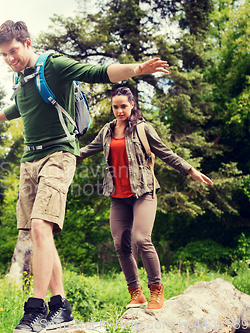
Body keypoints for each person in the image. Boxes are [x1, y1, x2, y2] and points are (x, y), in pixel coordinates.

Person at [0, 20, 170, 333]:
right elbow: (17, 108)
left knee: (40, 226)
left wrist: (138, 68)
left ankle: (35, 309)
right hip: (29, 159)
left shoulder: (53, 66)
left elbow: (97, 72)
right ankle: (61, 307)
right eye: (4, 55)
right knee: (37, 234)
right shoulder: (23, 79)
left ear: (28, 43)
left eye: (13, 51)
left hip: (58, 155)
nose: (9, 59)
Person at [79, 87, 213, 311]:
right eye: (115, 106)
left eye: (123, 106)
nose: (119, 110)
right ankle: (136, 293)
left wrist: (190, 170)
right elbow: (86, 150)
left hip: (144, 192)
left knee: (141, 239)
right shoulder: (107, 131)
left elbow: (166, 153)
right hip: (118, 196)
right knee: (121, 244)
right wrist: (63, 154)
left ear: (132, 105)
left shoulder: (143, 129)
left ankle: (156, 290)